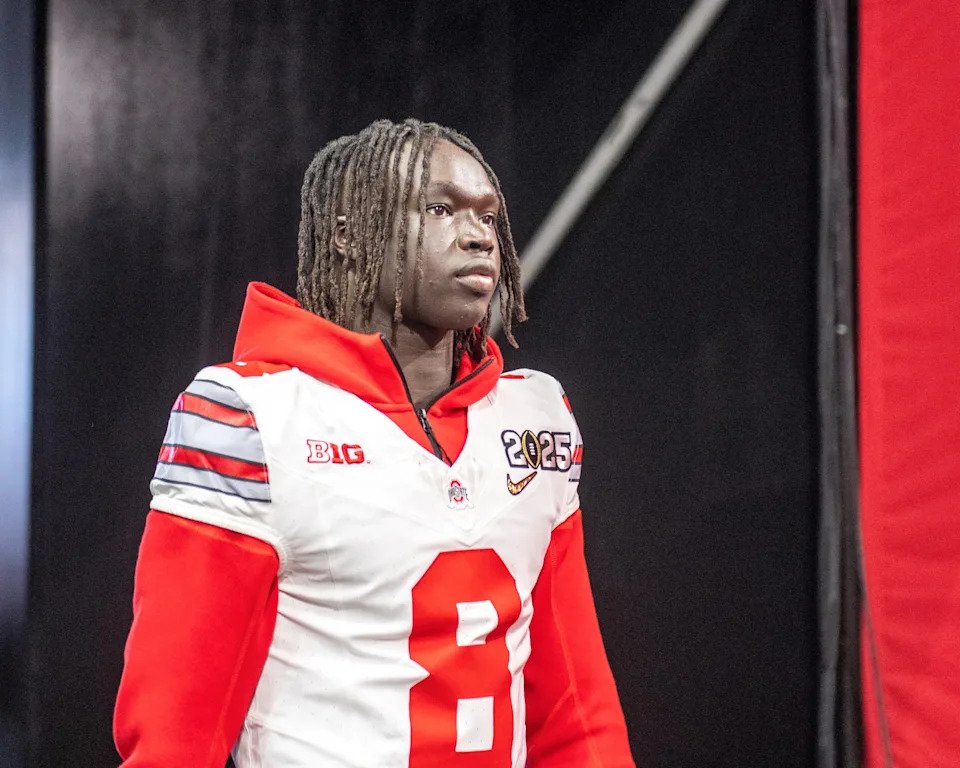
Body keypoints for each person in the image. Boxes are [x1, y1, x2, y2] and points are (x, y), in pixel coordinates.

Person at [114, 118, 634, 767]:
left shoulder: (534, 418)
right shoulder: (251, 415)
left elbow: (575, 707)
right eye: (440, 208)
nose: (477, 236)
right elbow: (174, 730)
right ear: (348, 236)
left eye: (488, 215)